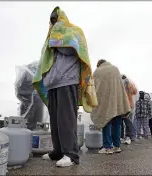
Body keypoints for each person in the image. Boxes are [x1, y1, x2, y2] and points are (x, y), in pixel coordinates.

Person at [32, 6, 97, 167]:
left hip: (68, 80)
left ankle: (72, 154)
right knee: (54, 119)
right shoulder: (52, 35)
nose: (54, 23)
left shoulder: (74, 31)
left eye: (56, 19)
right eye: (52, 20)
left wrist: (56, 37)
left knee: (66, 119)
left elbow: (72, 50)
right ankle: (59, 150)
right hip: (53, 83)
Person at [91, 59, 131, 154]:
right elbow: (119, 86)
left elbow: (95, 87)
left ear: (99, 65)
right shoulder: (115, 69)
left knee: (105, 123)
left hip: (105, 101)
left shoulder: (97, 71)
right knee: (117, 124)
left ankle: (108, 147)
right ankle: (117, 146)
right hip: (117, 101)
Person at [120, 74, 137, 144]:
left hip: (128, 106)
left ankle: (128, 137)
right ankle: (125, 137)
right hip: (123, 106)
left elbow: (134, 91)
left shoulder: (129, 84)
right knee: (123, 122)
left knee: (127, 122)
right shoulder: (120, 85)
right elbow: (135, 92)